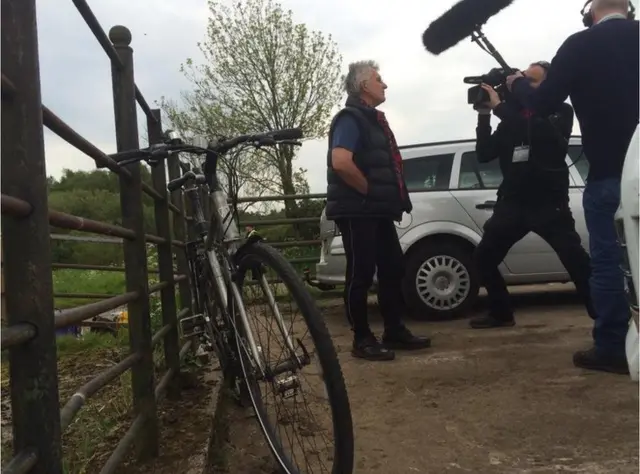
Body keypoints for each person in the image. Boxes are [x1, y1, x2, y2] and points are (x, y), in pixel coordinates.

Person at [506, 0, 639, 374]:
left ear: (590, 10)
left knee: (611, 265)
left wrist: (518, 85)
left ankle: (613, 347)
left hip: (611, 176)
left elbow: (542, 101)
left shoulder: (579, 45)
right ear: (629, 8)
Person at [470, 62, 595, 330]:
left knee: (576, 262)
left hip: (549, 204)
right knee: (483, 257)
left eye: (530, 80)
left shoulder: (560, 111)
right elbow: (484, 154)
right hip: (513, 203)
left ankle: (604, 317)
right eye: (520, 79)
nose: (521, 84)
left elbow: (543, 135)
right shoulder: (511, 116)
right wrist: (483, 116)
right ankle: (501, 312)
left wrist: (501, 109)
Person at [325, 60, 431, 361]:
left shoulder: (371, 120)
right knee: (360, 273)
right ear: (363, 87)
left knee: (393, 267)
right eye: (378, 79)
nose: (384, 84)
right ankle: (361, 339)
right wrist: (369, 192)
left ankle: (394, 329)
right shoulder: (350, 118)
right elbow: (342, 162)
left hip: (376, 210)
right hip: (359, 210)